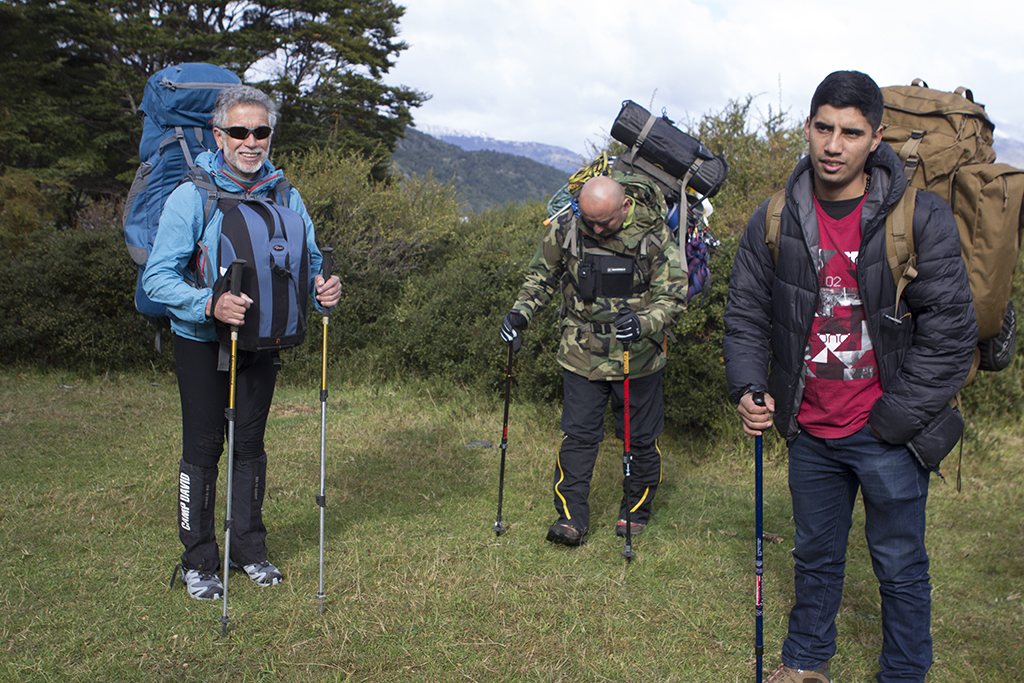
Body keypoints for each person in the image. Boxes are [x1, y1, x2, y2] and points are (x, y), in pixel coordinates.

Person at [723, 71, 977, 682]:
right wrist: (748, 386)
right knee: (814, 556)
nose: (834, 145)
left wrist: (894, 418)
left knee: (899, 565)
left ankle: (903, 673)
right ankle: (807, 663)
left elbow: (951, 333)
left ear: (876, 137)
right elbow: (746, 313)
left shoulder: (920, 217)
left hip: (887, 429)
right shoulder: (777, 216)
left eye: (851, 132)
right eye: (824, 128)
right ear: (808, 127)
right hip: (810, 427)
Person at [143, 85, 341, 601]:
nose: (251, 142)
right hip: (202, 342)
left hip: (262, 344)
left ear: (270, 136)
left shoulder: (285, 194)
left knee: (249, 448)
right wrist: (209, 304)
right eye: (239, 131)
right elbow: (157, 278)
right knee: (204, 448)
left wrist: (325, 293)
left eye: (261, 132)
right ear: (218, 135)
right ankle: (198, 561)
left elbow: (309, 266)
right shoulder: (194, 194)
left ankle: (250, 550)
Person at [500, 173, 687, 546]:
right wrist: (520, 313)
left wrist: (645, 322)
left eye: (606, 221)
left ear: (626, 206)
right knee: (578, 437)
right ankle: (570, 520)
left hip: (639, 356)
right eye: (591, 221)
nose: (598, 228)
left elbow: (674, 296)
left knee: (640, 440)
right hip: (581, 351)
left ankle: (635, 512)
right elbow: (542, 276)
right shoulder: (567, 228)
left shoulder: (654, 234)